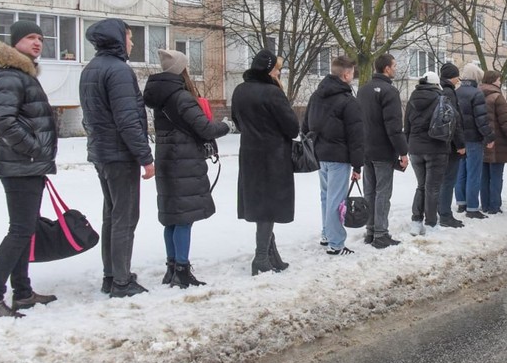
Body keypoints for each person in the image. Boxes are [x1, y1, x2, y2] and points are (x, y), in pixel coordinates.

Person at [0, 20, 58, 320]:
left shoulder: (22, 74)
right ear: (15, 43)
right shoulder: (10, 76)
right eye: (29, 37)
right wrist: (34, 149)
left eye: (39, 37)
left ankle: (22, 292)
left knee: (26, 229)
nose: (37, 42)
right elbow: (4, 121)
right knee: (20, 230)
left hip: (26, 165)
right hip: (20, 165)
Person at [79, 18, 155, 298]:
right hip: (120, 154)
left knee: (111, 215)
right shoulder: (119, 71)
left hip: (102, 153)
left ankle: (112, 275)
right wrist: (145, 157)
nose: (132, 43)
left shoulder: (91, 70)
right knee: (125, 217)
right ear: (116, 38)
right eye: (129, 37)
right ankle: (122, 282)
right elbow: (127, 120)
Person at [142, 50, 230, 287]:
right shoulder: (181, 97)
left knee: (172, 218)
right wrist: (225, 126)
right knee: (184, 220)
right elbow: (205, 129)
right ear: (182, 69)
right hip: (184, 162)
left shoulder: (161, 97)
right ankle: (181, 269)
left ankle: (172, 267)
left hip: (167, 160)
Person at [232, 50, 301, 274]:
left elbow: (237, 121)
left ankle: (272, 255)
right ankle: (261, 258)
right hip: (273, 157)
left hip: (250, 154)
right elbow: (292, 128)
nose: (280, 72)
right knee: (268, 208)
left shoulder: (240, 90)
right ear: (270, 70)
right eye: (278, 68)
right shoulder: (272, 93)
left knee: (261, 206)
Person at [303, 55, 364, 256]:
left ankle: (327, 234)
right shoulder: (348, 101)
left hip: (320, 154)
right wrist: (357, 165)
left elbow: (305, 126)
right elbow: (356, 136)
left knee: (326, 197)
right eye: (352, 72)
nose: (353, 76)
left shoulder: (316, 96)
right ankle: (336, 243)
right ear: (346, 75)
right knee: (336, 201)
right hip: (339, 157)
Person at [356, 53, 407, 249]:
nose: (395, 69)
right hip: (383, 150)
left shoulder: (362, 90)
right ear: (386, 68)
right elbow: (393, 126)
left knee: (370, 191)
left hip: (366, 149)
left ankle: (370, 231)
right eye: (394, 65)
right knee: (383, 192)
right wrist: (403, 152)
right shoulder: (390, 91)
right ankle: (381, 233)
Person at [404, 71, 449, 234]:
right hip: (436, 148)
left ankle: (416, 222)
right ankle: (431, 224)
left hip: (415, 149)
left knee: (421, 186)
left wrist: (408, 147)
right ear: (436, 84)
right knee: (433, 188)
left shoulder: (411, 99)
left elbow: (406, 126)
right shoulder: (441, 99)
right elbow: (450, 123)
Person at [454, 63, 495, 219]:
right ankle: (472, 208)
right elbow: (481, 120)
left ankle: (461, 203)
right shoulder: (476, 94)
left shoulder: (456, 92)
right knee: (474, 173)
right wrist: (489, 137)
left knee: (460, 172)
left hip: (459, 140)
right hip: (473, 140)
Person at [479, 70, 507, 214]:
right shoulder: (497, 97)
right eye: (499, 79)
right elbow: (505, 122)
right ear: (494, 80)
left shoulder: (477, 95)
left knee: (484, 176)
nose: (500, 82)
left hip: (481, 141)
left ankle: (485, 205)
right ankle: (494, 206)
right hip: (497, 142)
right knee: (496, 175)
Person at [436, 62, 466, 227]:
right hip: (450, 145)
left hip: (440, 143)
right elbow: (454, 121)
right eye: (457, 77)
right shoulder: (449, 93)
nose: (458, 80)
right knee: (448, 180)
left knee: (441, 180)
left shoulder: (439, 91)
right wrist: (460, 144)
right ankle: (446, 215)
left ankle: (441, 212)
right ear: (452, 77)